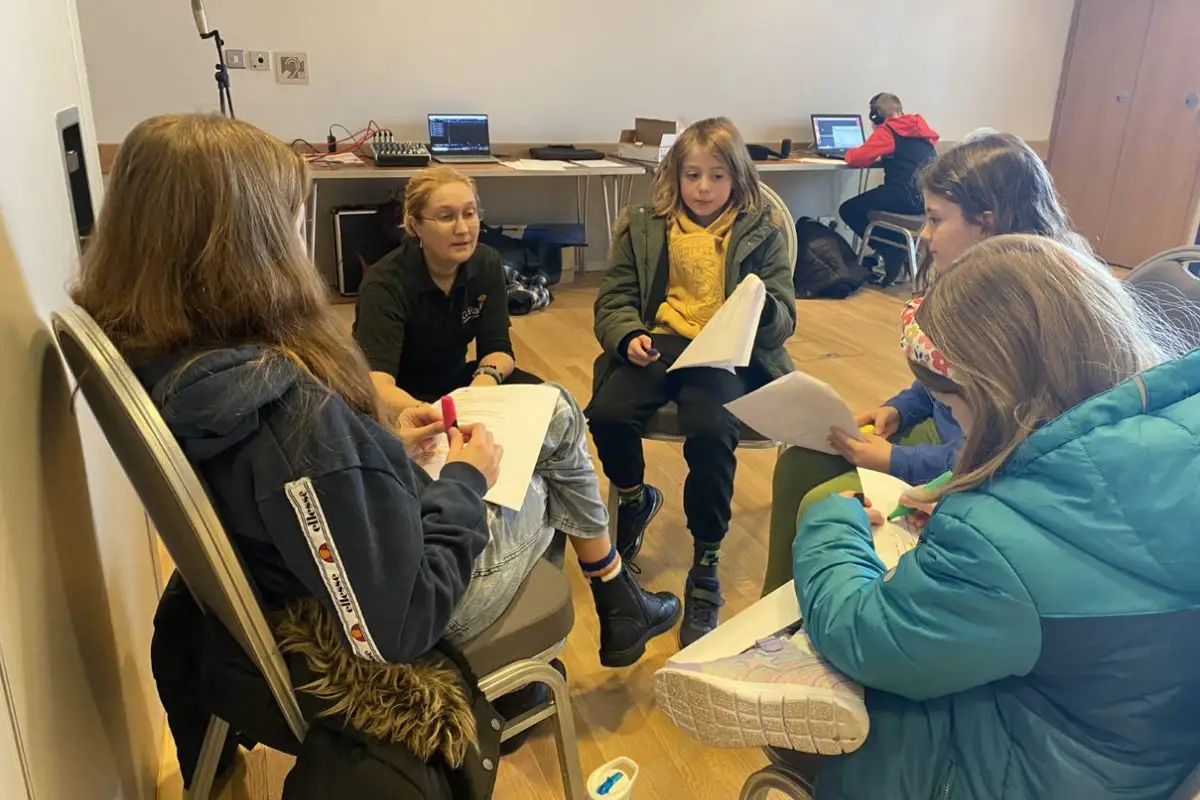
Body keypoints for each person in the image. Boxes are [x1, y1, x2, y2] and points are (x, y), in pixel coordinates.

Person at [70, 115, 680, 793]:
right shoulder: (292, 420)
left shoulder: (171, 359)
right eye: (290, 220)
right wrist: (464, 481)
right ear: (254, 241)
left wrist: (383, 443)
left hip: (307, 570)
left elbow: (329, 487)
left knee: (546, 429)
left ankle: (613, 598)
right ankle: (606, 603)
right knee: (556, 433)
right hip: (406, 609)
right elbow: (402, 619)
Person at [660, 234, 1200, 799]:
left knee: (861, 685)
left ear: (998, 399)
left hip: (1034, 767)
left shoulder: (999, 539)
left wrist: (830, 524)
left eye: (955, 409)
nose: (954, 426)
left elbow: (869, 634)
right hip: (1136, 751)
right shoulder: (1164, 429)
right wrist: (969, 484)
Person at [761, 131, 1085, 596]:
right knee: (803, 459)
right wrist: (900, 408)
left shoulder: (1024, 314)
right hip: (946, 441)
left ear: (986, 225)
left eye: (935, 220)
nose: (924, 235)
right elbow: (942, 384)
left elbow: (994, 450)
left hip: (972, 464)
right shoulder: (964, 278)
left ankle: (821, 602)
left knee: (821, 501)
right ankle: (777, 607)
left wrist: (897, 460)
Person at [588, 117, 797, 646]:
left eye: (718, 177)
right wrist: (628, 333)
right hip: (658, 340)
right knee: (608, 414)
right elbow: (613, 299)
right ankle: (635, 498)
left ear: (739, 180)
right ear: (674, 177)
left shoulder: (762, 230)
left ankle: (706, 561)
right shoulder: (644, 225)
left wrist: (762, 310)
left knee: (710, 430)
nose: (703, 188)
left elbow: (784, 319)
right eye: (692, 175)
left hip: (726, 353)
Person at [353, 166, 540, 413]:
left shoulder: (486, 263)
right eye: (446, 217)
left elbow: (498, 350)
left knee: (545, 400)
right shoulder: (384, 284)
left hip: (456, 386)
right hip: (399, 396)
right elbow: (378, 384)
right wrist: (439, 416)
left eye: (469, 214)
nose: (463, 229)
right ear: (415, 225)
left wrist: (479, 389)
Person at [839, 92, 939, 286]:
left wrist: (847, 152)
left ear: (875, 116)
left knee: (849, 209)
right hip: (925, 200)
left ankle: (891, 250)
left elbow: (857, 158)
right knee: (873, 199)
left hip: (903, 197)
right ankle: (895, 247)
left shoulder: (889, 130)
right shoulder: (921, 130)